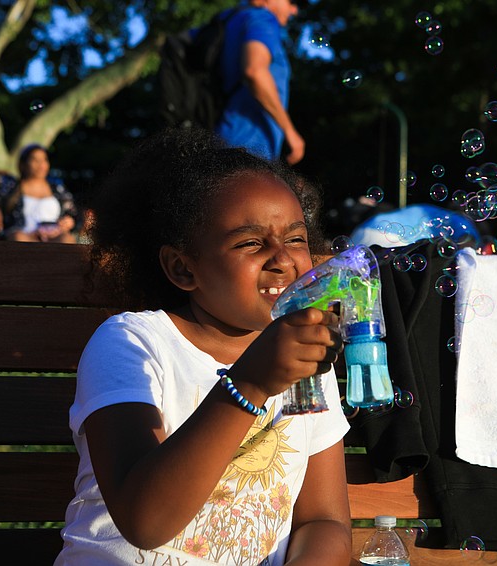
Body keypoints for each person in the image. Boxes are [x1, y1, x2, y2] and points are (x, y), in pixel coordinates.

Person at [54, 127, 352, 565]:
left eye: (295, 239)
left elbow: (324, 520)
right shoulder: (133, 344)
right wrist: (250, 382)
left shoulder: (309, 359)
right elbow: (144, 523)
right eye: (250, 243)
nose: (283, 259)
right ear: (181, 268)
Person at [215, 0, 305, 165]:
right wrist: (290, 132)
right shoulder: (263, 18)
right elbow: (254, 71)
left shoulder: (232, 18)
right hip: (247, 143)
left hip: (227, 137)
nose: (294, 10)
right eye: (291, 2)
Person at [0, 144, 78, 243]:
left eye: (44, 160)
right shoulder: (12, 187)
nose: (41, 164)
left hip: (53, 236)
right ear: (23, 164)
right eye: (35, 160)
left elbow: (73, 213)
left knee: (67, 240)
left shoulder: (57, 188)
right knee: (18, 239)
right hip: (25, 236)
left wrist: (69, 221)